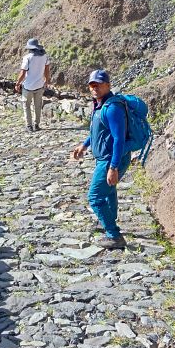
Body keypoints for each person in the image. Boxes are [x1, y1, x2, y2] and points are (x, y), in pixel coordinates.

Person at [71, 69, 131, 249]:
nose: (95, 87)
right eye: (92, 85)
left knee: (95, 197)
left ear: (108, 85)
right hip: (106, 158)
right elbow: (98, 131)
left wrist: (113, 167)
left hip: (111, 159)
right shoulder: (99, 105)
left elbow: (119, 139)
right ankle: (109, 224)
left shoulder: (112, 108)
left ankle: (114, 236)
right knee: (108, 192)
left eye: (99, 84)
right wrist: (85, 145)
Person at [14, 38, 51, 132]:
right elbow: (47, 70)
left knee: (26, 106)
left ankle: (29, 126)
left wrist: (18, 83)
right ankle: (36, 124)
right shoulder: (44, 56)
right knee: (37, 106)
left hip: (28, 86)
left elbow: (23, 73)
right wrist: (46, 80)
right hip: (39, 85)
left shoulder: (27, 57)